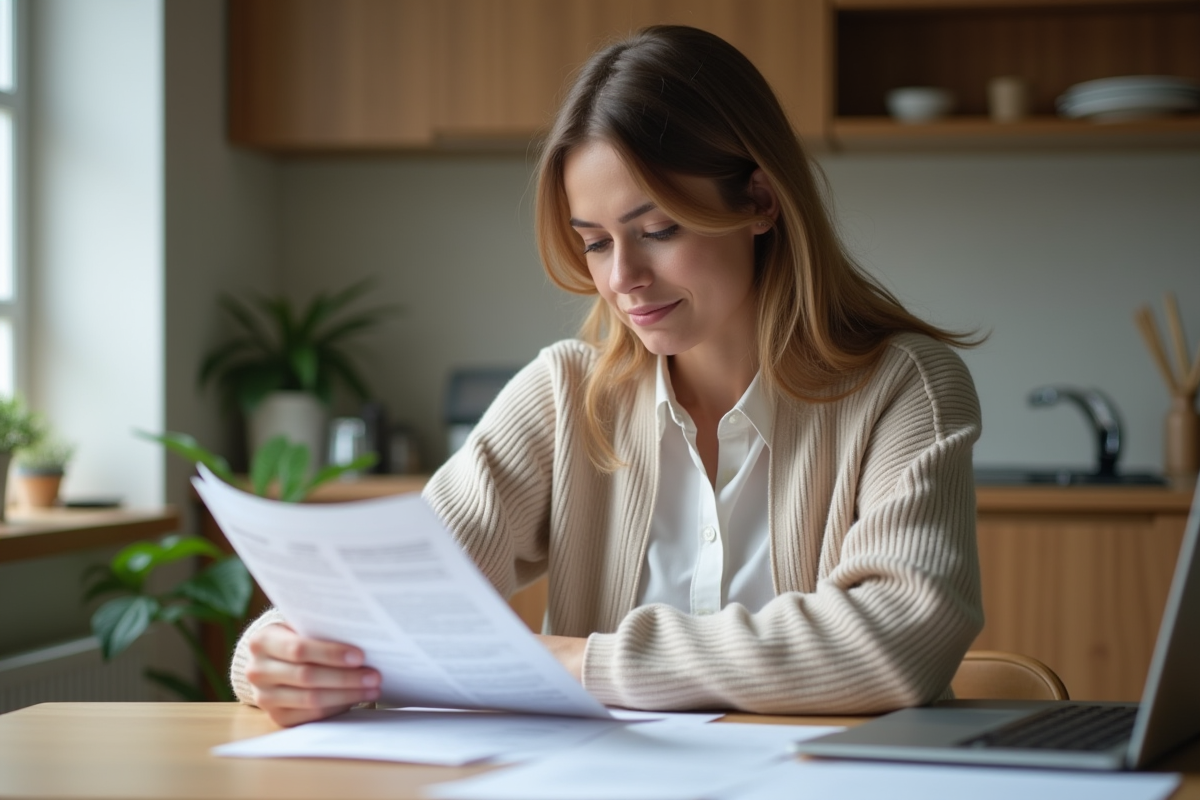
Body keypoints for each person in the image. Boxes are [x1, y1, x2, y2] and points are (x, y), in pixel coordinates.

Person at [231, 25, 984, 727]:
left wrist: (576, 665)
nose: (623, 278)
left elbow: (897, 642)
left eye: (657, 230)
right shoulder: (564, 396)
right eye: (594, 243)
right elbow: (383, 600)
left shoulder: (904, 387)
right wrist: (276, 656)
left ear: (759, 201)